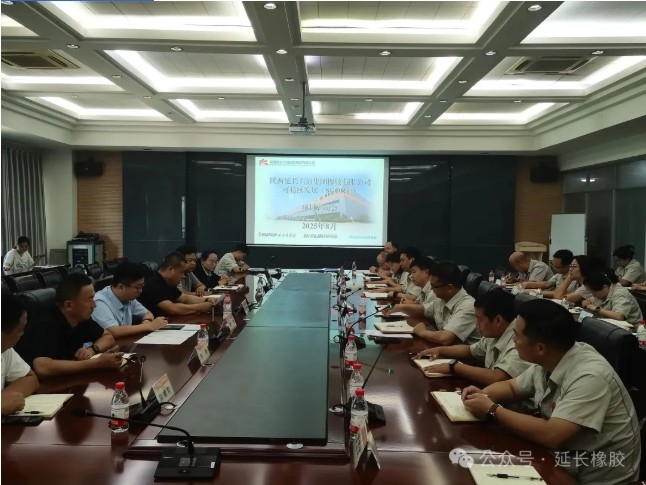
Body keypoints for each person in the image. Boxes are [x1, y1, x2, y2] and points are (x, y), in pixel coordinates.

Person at [461, 299, 640, 484]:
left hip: (592, 476)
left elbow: (551, 434)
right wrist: (483, 396)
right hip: (561, 459)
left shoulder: (590, 376)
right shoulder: (553, 356)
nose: (513, 340)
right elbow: (512, 387)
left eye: (516, 335)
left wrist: (492, 409)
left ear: (540, 348)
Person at [13, 273, 124, 379]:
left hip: (65, 378)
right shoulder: (46, 324)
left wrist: (91, 350)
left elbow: (108, 337)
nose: (94, 305)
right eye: (89, 299)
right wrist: (96, 363)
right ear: (69, 305)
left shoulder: (80, 318)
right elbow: (42, 368)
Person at [414, 291, 530, 386]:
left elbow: (497, 378)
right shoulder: (496, 332)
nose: (476, 324)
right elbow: (470, 350)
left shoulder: (520, 341)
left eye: (479, 319)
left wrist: (455, 368)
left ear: (498, 320)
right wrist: (439, 350)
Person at [406, 261, 480, 345]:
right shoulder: (443, 298)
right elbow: (423, 309)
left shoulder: (467, 306)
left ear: (449, 288)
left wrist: (423, 332)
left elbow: (445, 338)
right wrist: (398, 307)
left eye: (434, 286)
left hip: (464, 352)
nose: (431, 289)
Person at [93, 262, 168, 338]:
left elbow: (147, 313)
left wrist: (146, 321)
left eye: (142, 286)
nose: (140, 291)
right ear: (121, 287)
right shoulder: (99, 302)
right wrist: (148, 326)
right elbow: (113, 331)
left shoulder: (129, 298)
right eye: (138, 287)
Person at [138, 252, 215, 317]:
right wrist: (200, 307)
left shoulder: (169, 282)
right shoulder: (153, 284)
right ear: (171, 269)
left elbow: (184, 298)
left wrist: (206, 300)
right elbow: (172, 309)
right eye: (182, 272)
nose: (183, 276)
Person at [2, 294, 39, 415]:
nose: (22, 334)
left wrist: (6, 397)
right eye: (20, 330)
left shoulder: (4, 349)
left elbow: (30, 379)